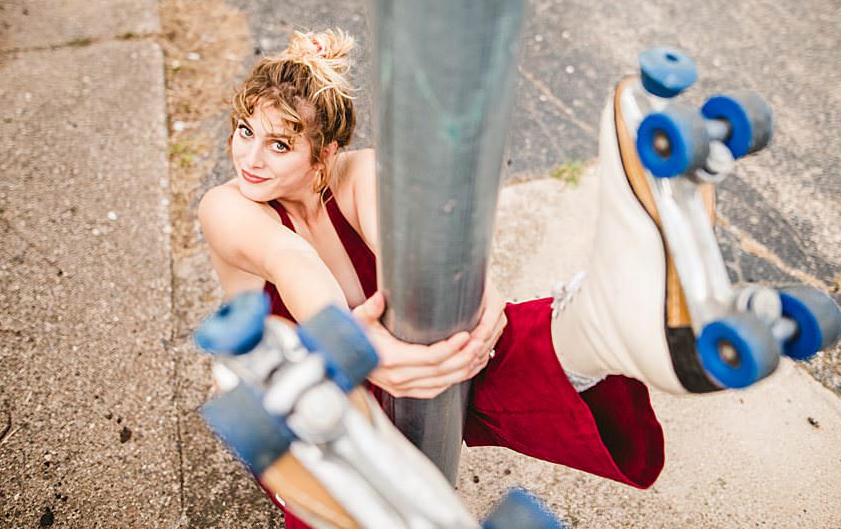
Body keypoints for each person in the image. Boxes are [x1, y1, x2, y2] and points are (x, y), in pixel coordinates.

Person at [198, 30, 761, 526]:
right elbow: (292, 263)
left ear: (323, 154)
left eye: (278, 144)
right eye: (244, 131)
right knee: (356, 452)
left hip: (403, 374)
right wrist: (355, 346)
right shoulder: (227, 207)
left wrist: (472, 291)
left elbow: (416, 248)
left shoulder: (359, 174)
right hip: (304, 407)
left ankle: (604, 324)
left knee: (477, 338)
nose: (249, 157)